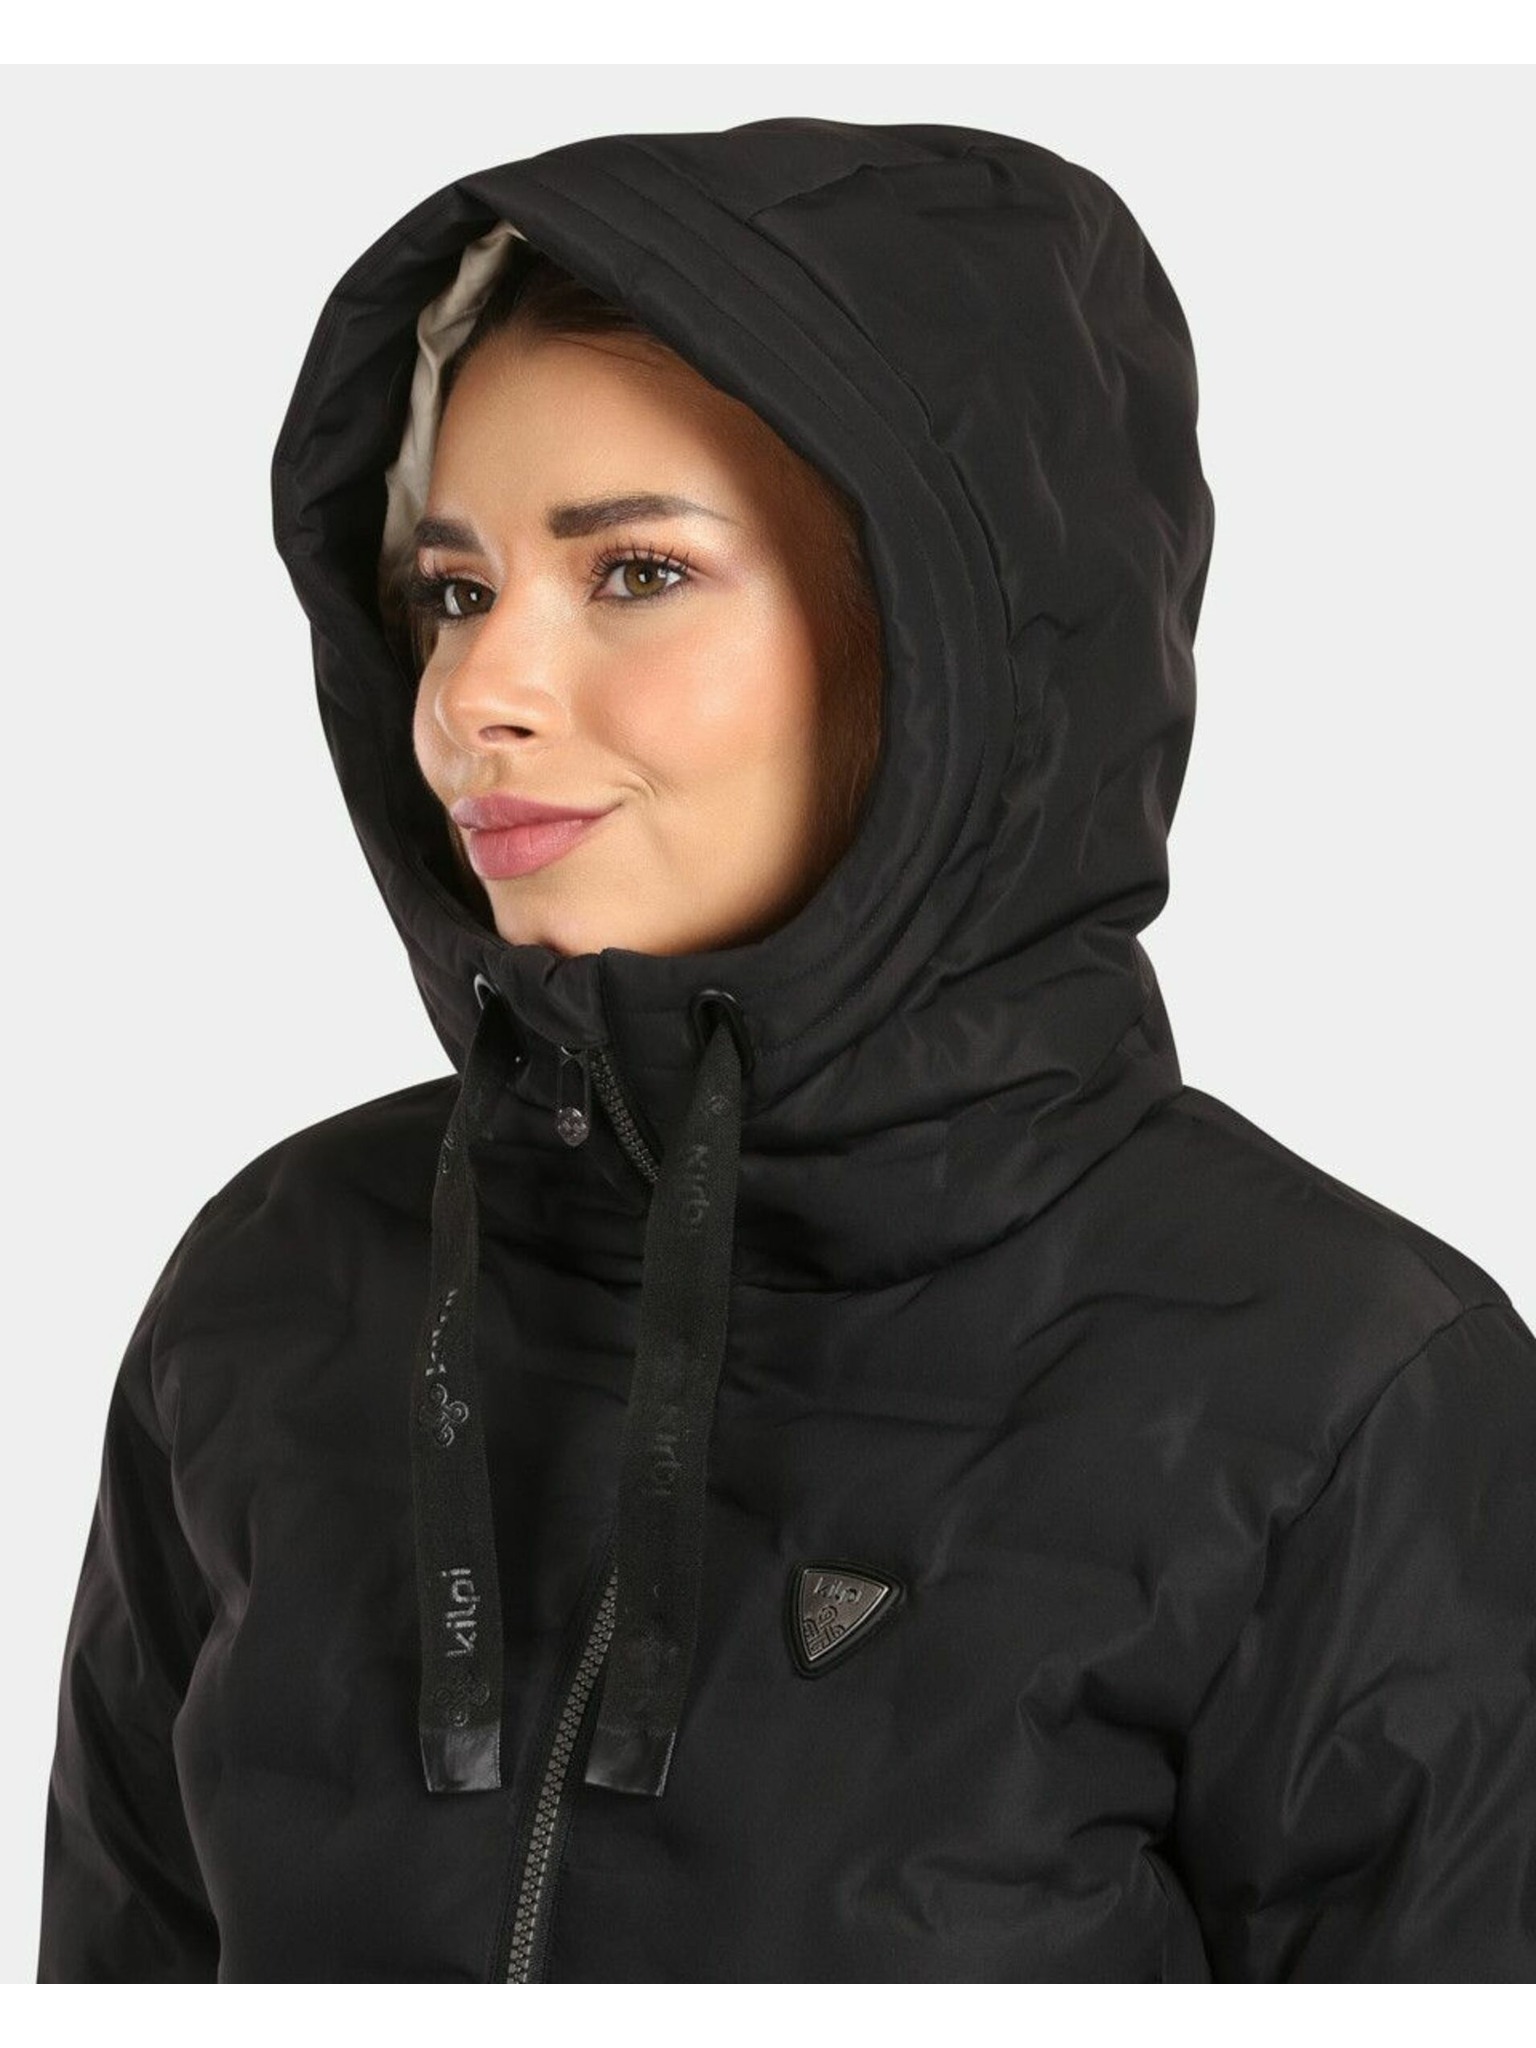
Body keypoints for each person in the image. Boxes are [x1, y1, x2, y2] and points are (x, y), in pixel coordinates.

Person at [36, 115, 1536, 1984]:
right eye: (455, 590)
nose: (476, 693)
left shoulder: (1343, 1393)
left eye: (635, 572)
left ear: (945, 648)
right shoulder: (278, 1286)